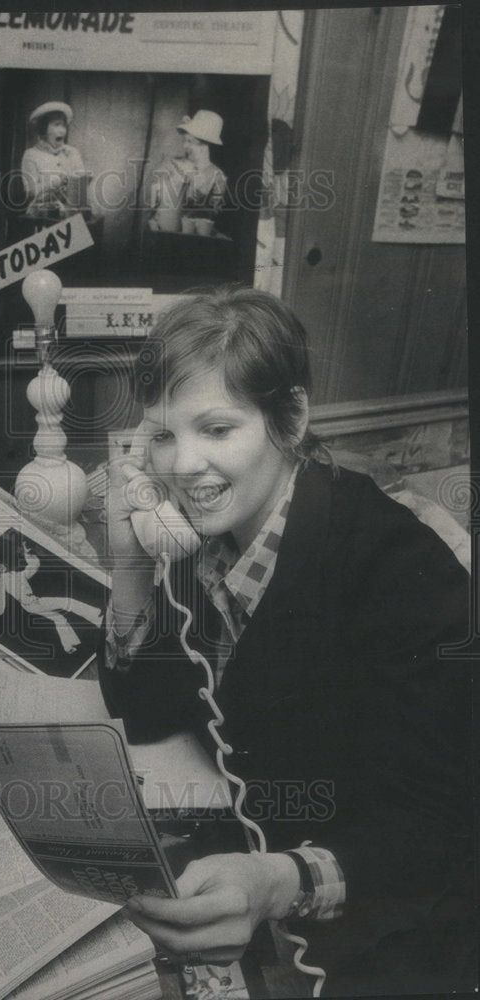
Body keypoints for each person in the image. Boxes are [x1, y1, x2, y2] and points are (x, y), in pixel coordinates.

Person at [101, 287, 474, 995]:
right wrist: (127, 572)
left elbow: (444, 827)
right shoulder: (200, 545)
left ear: (291, 419)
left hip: (389, 920)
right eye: (161, 435)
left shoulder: (397, 570)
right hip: (247, 866)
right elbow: (148, 709)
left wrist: (280, 882)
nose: (182, 467)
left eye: (215, 429)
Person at [0, 541, 102, 654]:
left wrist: (27, 554)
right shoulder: (0, 583)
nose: (0, 566)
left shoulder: (18, 574)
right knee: (67, 602)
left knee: (59, 618)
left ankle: (68, 646)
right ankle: (96, 617)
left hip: (33, 602)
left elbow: (34, 566)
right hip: (32, 604)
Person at [150, 111, 227, 234]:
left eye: (190, 141)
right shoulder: (170, 164)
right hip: (160, 233)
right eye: (185, 140)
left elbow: (213, 214)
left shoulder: (217, 176)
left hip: (191, 240)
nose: (185, 145)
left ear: (205, 146)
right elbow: (152, 201)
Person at [20, 101, 88, 222]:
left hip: (70, 216)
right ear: (44, 129)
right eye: (56, 125)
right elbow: (31, 192)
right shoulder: (31, 154)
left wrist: (78, 171)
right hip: (41, 218)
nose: (62, 131)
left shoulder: (73, 153)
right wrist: (57, 181)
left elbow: (81, 188)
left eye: (63, 125)